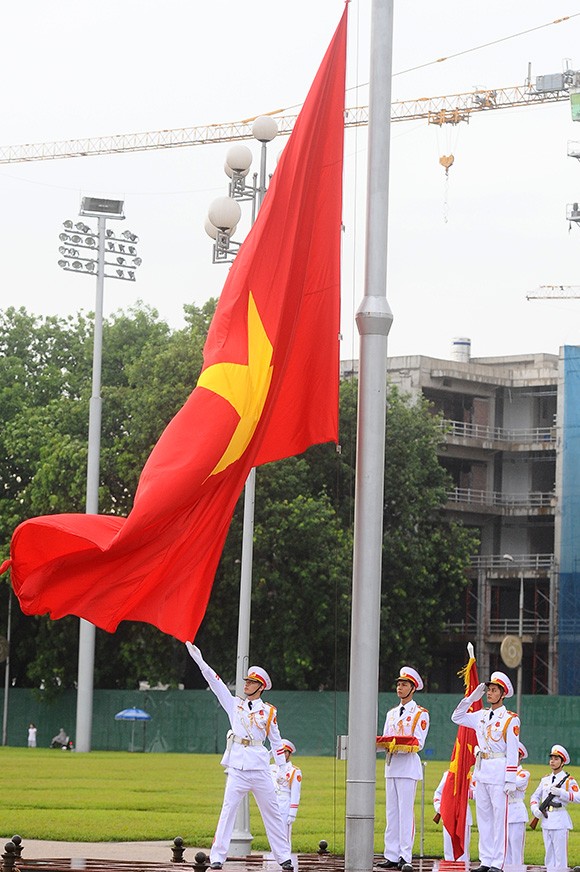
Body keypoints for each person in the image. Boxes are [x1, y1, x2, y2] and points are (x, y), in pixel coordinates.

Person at [186, 643, 293, 872]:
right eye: (246, 681)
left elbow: (276, 742)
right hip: (237, 768)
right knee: (228, 811)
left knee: (272, 813)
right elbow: (216, 684)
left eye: (252, 682)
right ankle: (217, 857)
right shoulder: (235, 705)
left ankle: (283, 856)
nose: (246, 684)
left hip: (260, 769)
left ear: (261, 687)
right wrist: (200, 661)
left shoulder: (269, 712)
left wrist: (283, 769)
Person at [451, 670, 520, 872]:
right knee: (485, 818)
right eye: (488, 689)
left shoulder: (510, 719)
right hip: (482, 771)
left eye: (493, 690)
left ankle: (498, 863)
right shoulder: (480, 716)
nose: (489, 693)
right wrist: (472, 698)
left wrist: (510, 779)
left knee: (499, 819)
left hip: (499, 770)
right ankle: (486, 860)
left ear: (503, 693)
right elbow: (456, 717)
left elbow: (513, 751)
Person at [376, 666, 430, 870]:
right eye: (399, 684)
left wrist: (395, 743)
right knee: (391, 813)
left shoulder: (420, 714)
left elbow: (419, 742)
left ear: (413, 688)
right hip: (391, 766)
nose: (400, 687)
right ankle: (390, 854)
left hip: (407, 766)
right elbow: (385, 738)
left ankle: (405, 856)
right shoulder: (391, 714)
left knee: (405, 812)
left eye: (404, 684)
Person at [530, 743, 580, 870]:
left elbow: (578, 797)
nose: (552, 761)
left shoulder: (568, 780)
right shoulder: (545, 780)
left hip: (560, 819)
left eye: (556, 759)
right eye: (551, 758)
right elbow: (534, 796)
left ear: (562, 762)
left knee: (560, 856)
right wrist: (535, 809)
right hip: (546, 820)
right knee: (549, 855)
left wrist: (562, 793)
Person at [433, 768, 472, 862]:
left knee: (463, 851)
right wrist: (440, 809)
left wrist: (466, 792)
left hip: (464, 816)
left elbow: (477, 793)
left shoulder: (469, 776)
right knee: (448, 850)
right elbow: (438, 793)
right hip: (448, 815)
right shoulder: (448, 775)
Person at [270, 739, 302, 851]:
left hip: (285, 803)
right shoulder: (270, 768)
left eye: (285, 752)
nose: (282, 755)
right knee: (272, 831)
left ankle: (285, 856)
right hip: (272, 802)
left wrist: (292, 813)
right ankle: (274, 855)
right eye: (279, 752)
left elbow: (295, 793)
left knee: (284, 833)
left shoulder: (294, 771)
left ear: (289, 754)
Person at [505, 742, 530, 868]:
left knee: (516, 850)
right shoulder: (504, 771)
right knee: (505, 851)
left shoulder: (523, 773)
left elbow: (513, 784)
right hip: (505, 812)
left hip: (516, 812)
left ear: (520, 757)